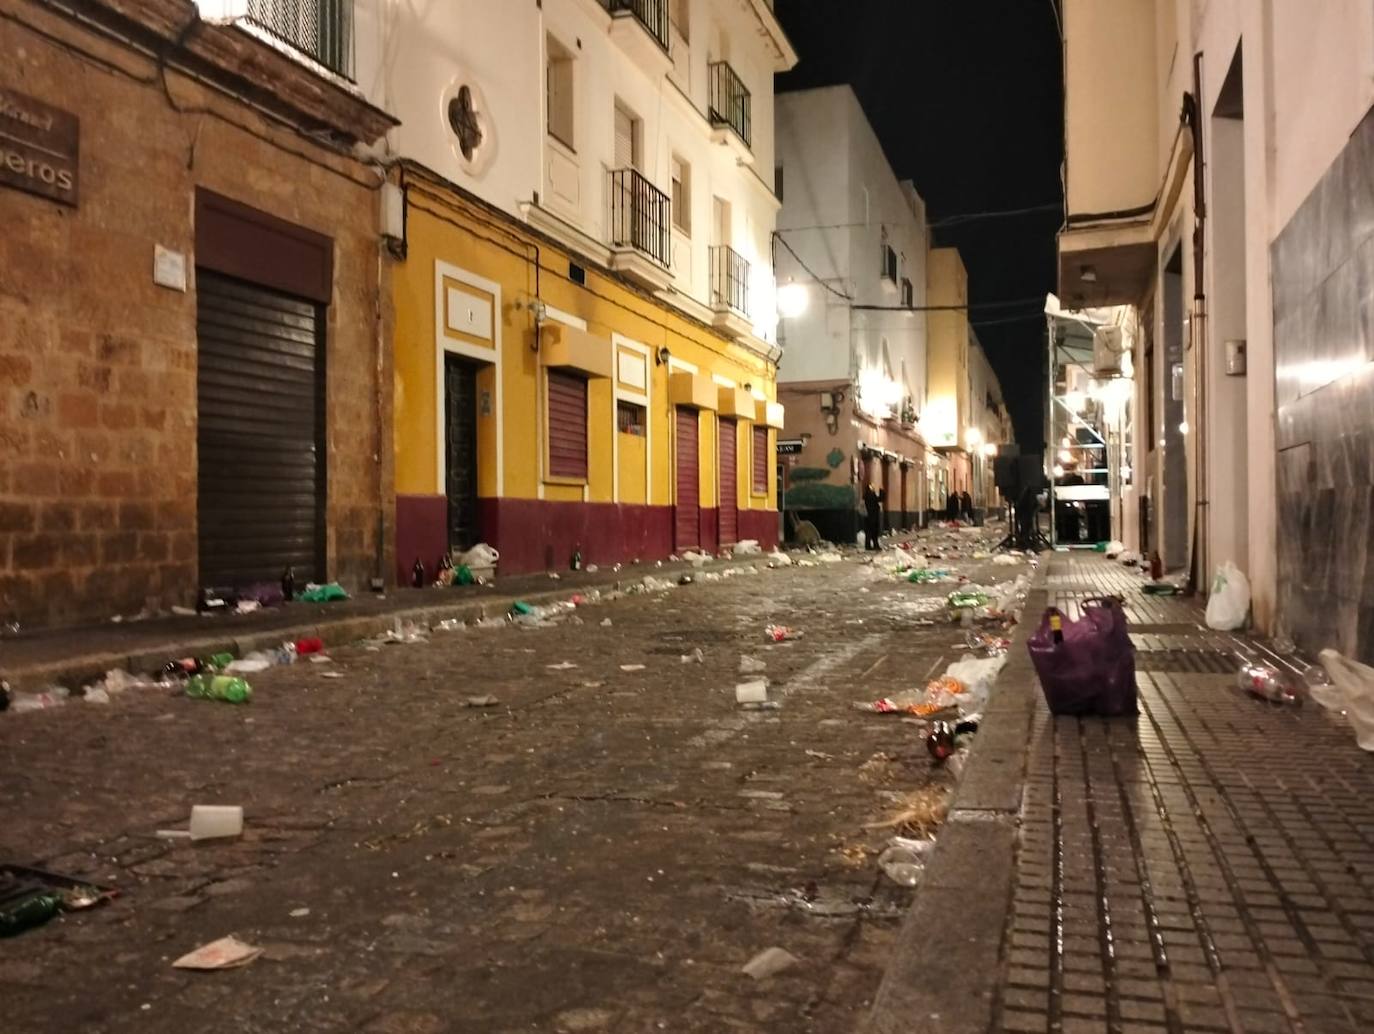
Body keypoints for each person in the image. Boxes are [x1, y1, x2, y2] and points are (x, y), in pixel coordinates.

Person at [862, 483, 884, 551]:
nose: (873, 487)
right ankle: (875, 545)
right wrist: (881, 490)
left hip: (868, 517)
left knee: (868, 532)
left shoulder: (866, 495)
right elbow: (880, 499)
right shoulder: (871, 495)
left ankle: (868, 545)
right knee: (874, 532)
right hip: (873, 517)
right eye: (872, 486)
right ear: (870, 487)